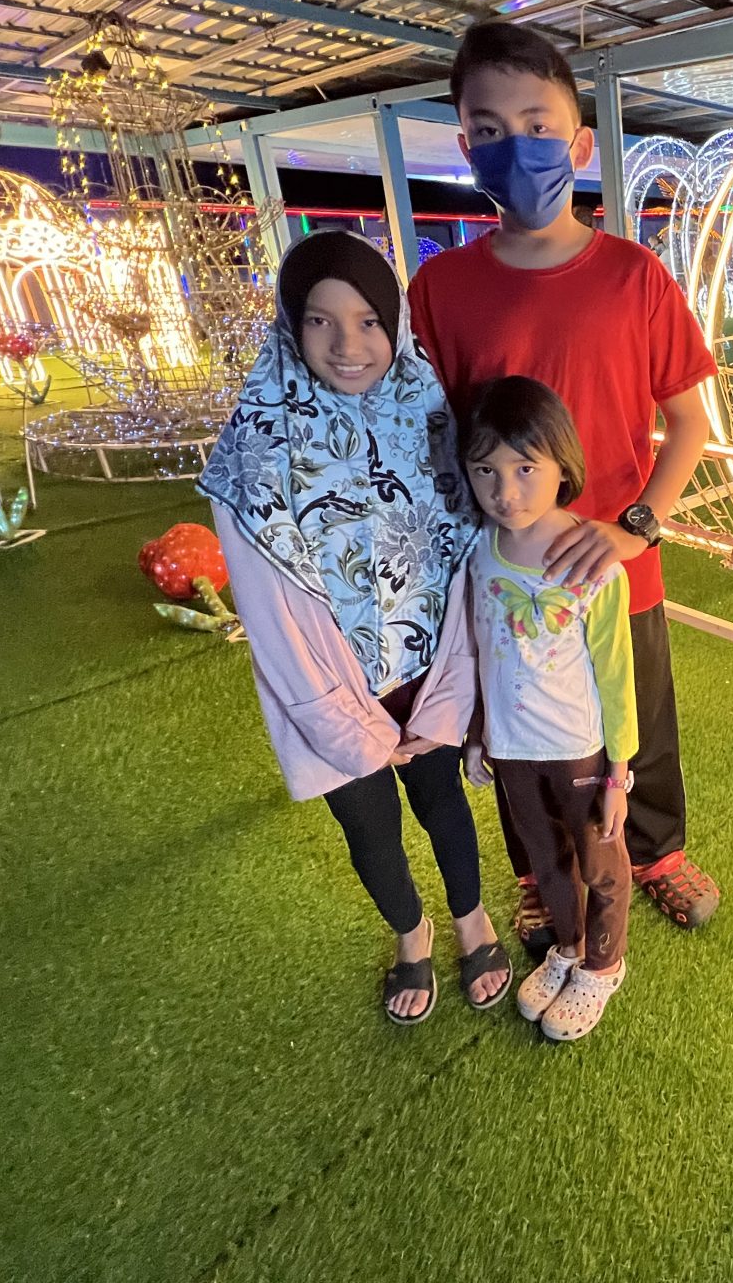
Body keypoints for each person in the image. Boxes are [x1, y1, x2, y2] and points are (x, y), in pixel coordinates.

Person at [411, 20, 720, 956]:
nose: (518, 149)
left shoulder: (635, 276)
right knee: (515, 732)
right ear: (466, 147)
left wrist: (635, 528)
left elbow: (691, 424)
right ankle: (536, 872)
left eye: (538, 125)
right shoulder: (442, 288)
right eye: (491, 129)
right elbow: (428, 435)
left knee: (639, 723)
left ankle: (656, 855)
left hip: (615, 569)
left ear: (579, 144)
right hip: (502, 572)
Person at [199, 229, 511, 1025]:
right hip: (330, 692)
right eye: (320, 320)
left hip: (426, 676)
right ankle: (413, 935)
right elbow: (270, 614)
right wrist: (346, 724)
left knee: (442, 802)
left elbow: (465, 554)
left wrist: (451, 690)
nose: (348, 344)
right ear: (288, 325)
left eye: (370, 320)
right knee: (369, 828)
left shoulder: (430, 414)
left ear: (396, 325)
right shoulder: (254, 449)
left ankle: (473, 917)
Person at [460, 376, 636, 1041]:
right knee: (546, 862)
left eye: (525, 469)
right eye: (486, 471)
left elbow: (618, 674)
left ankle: (603, 963)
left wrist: (620, 771)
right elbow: (480, 645)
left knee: (600, 865)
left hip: (581, 750)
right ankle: (567, 947)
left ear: (562, 464)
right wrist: (479, 734)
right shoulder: (480, 550)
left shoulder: (594, 563)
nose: (505, 492)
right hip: (510, 750)